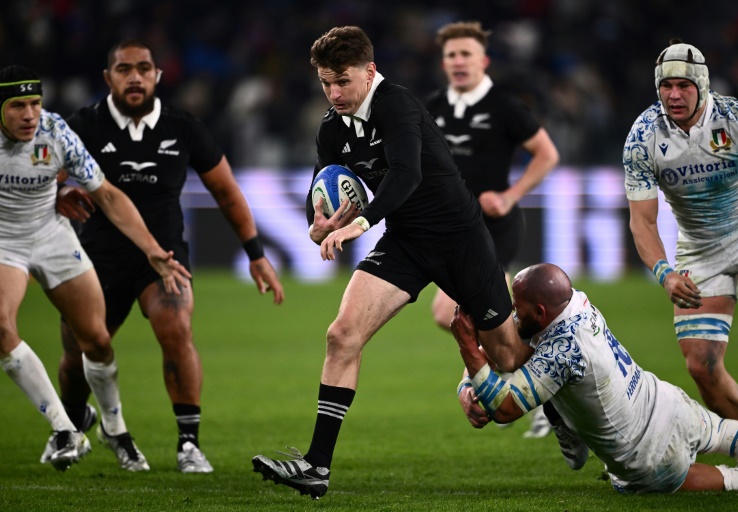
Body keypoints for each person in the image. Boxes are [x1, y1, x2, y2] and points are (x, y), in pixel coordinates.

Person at [251, 26, 532, 499]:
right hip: (406, 243)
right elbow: (325, 185)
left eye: (342, 80)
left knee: (507, 356)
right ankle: (317, 466)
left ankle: (565, 405)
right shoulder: (330, 127)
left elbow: (406, 174)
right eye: (325, 82)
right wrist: (316, 223)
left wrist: (359, 226)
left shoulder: (396, 104)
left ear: (370, 71)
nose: (334, 92)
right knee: (342, 335)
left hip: (460, 239)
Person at [54, 39, 285, 474]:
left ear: (158, 76)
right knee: (78, 350)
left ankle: (189, 444)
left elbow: (226, 190)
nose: (135, 77)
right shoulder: (81, 126)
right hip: (97, 257)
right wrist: (57, 194)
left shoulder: (184, 127)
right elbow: (40, 177)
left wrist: (255, 254)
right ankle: (72, 421)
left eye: (144, 68)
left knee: (176, 327)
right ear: (108, 78)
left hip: (164, 255)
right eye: (124, 69)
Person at [0, 64, 190, 471]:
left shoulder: (54, 132)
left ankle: (114, 429)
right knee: (2, 327)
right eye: (17, 106)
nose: (29, 115)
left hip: (53, 236)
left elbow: (106, 194)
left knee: (98, 340)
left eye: (34, 103)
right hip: (5, 243)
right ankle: (64, 428)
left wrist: (153, 250)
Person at [453, 262, 738, 493]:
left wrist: (467, 345)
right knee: (727, 433)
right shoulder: (574, 300)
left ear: (540, 312)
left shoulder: (565, 350)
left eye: (517, 307)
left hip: (643, 451)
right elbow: (509, 349)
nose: (513, 313)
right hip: (663, 401)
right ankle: (561, 415)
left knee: (666, 477)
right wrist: (467, 386)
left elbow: (506, 407)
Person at [623, 39, 738, 432]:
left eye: (684, 85)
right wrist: (664, 273)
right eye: (666, 86)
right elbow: (643, 222)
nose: (673, 94)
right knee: (700, 364)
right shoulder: (643, 137)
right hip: (699, 250)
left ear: (702, 84)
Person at [425, 20, 559, 438]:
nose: (458, 62)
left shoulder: (503, 105)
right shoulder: (431, 107)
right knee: (470, 321)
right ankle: (542, 390)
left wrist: (510, 194)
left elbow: (546, 154)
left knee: (449, 312)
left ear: (483, 60)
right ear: (444, 62)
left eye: (466, 54)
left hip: (493, 228)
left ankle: (516, 390)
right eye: (451, 55)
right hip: (450, 231)